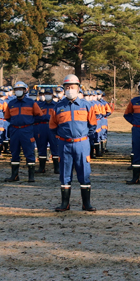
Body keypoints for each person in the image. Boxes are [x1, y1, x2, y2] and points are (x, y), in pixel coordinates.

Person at [48, 74, 99, 212]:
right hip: (64, 145)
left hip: (82, 144)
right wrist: (63, 138)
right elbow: (52, 128)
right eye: (67, 87)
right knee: (65, 174)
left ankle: (86, 204)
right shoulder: (58, 107)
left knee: (84, 173)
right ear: (64, 89)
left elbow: (93, 126)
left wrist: (82, 137)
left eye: (73, 87)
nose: (70, 89)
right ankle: (65, 204)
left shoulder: (87, 106)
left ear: (78, 88)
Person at [4, 80, 42, 183]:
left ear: (25, 90)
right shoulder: (11, 103)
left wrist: (30, 123)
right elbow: (7, 117)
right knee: (14, 153)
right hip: (15, 130)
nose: (18, 91)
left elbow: (39, 115)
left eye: (20, 89)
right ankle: (14, 175)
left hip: (27, 130)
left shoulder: (31, 103)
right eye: (16, 90)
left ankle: (31, 176)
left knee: (29, 153)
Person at [34, 86, 54, 172]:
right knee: (41, 146)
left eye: (49, 94)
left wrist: (46, 117)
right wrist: (46, 117)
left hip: (52, 127)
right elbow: (36, 117)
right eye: (46, 94)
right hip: (42, 127)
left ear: (52, 95)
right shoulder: (39, 105)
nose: (47, 96)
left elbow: (57, 117)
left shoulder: (56, 105)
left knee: (55, 146)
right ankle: (41, 167)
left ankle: (57, 168)